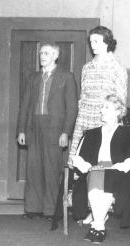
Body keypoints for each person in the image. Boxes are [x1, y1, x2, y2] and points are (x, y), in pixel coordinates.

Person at [17, 42, 78, 219]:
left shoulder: (66, 77)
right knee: (33, 169)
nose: (42, 55)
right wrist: (22, 130)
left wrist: (66, 132)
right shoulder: (33, 77)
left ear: (55, 56)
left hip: (55, 130)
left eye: (47, 53)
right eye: (41, 52)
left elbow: (72, 108)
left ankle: (51, 210)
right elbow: (25, 106)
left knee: (51, 170)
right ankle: (33, 208)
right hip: (34, 127)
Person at [71, 94, 130, 244]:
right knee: (97, 177)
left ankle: (97, 226)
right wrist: (88, 167)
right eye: (101, 107)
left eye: (106, 107)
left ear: (118, 111)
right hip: (95, 170)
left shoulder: (127, 133)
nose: (101, 111)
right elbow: (77, 158)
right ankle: (100, 225)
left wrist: (118, 167)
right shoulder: (91, 133)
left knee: (108, 178)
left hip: (119, 172)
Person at [69, 26, 128, 165]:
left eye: (96, 41)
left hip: (106, 119)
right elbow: (82, 97)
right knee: (82, 162)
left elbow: (120, 102)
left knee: (103, 162)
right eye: (91, 42)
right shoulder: (87, 68)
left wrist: (111, 120)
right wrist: (81, 121)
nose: (92, 45)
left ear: (107, 42)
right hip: (85, 119)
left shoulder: (117, 68)